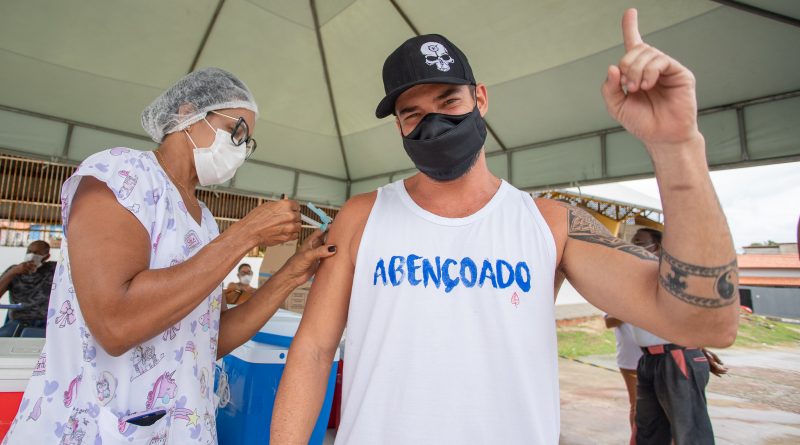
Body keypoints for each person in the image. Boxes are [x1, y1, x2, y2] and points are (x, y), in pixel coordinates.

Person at [272, 9, 739, 444]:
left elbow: (707, 322)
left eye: (449, 101)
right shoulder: (362, 215)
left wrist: (678, 146)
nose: (432, 124)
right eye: (412, 114)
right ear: (398, 125)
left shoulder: (549, 224)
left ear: (480, 97)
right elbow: (314, 349)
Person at [3, 68, 336, 444]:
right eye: (237, 131)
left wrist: (292, 273)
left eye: (249, 142)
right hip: (93, 427)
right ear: (188, 114)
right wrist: (244, 235)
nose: (241, 148)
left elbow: (212, 339)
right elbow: (115, 325)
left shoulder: (204, 220)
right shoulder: (121, 173)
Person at [629, 227, 728, 445]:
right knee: (649, 430)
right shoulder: (639, 275)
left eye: (639, 242)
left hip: (675, 357)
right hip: (650, 360)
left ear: (657, 247)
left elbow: (696, 312)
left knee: (689, 432)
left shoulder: (674, 276)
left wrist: (695, 347)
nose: (632, 245)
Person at [0, 241, 56, 337]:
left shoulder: (53, 269)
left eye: (37, 253)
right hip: (18, 321)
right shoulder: (14, 270)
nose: (32, 255)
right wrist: (13, 272)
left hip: (45, 323)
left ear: (46, 257)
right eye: (29, 251)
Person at [604, 312, 642, 443]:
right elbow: (609, 322)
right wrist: (633, 310)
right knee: (637, 405)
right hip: (630, 360)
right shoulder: (621, 294)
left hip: (657, 357)